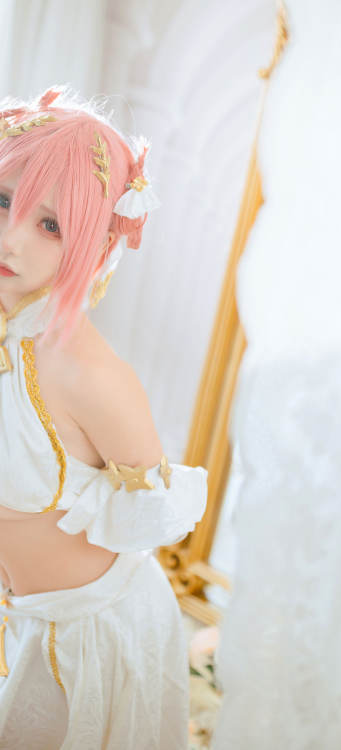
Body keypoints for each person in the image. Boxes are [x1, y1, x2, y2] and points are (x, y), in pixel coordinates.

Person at [0, 86, 208, 749]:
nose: (10, 236)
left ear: (93, 246)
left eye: (51, 225)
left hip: (86, 639)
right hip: (15, 615)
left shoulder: (90, 377)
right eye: (4, 201)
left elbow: (149, 512)